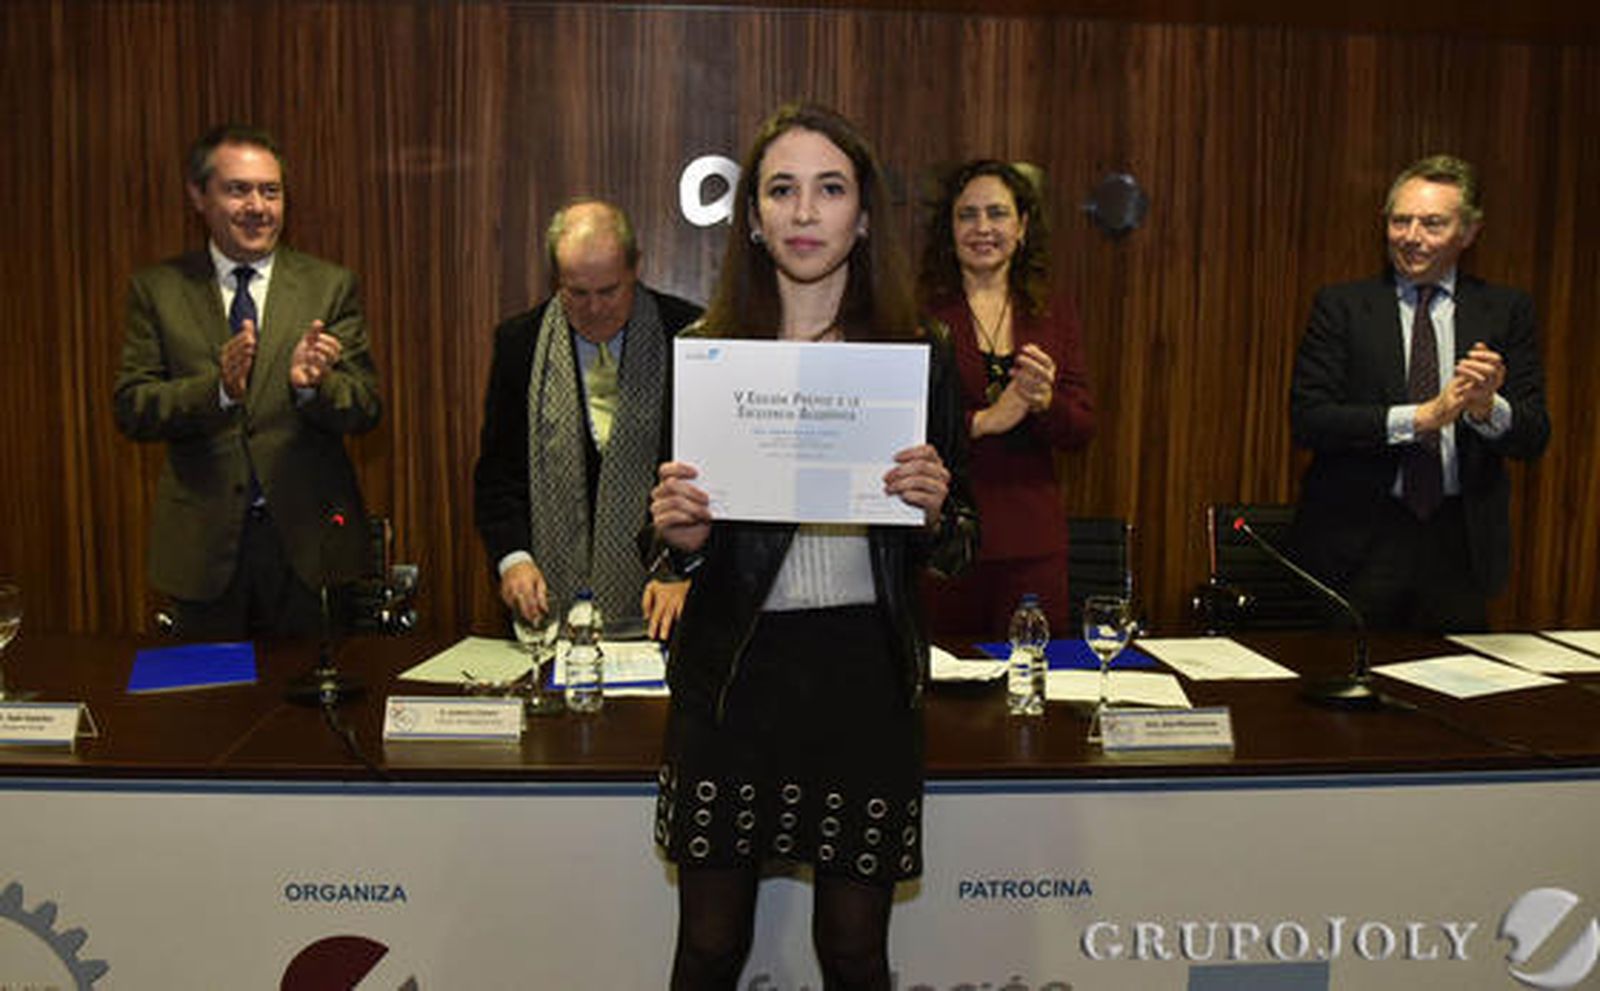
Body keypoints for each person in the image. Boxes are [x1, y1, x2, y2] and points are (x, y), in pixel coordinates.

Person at [648, 104, 977, 990]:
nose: (804, 212)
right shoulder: (706, 355)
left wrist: (937, 512)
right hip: (731, 676)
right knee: (711, 946)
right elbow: (670, 542)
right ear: (751, 217)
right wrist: (678, 542)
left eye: (829, 189)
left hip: (863, 678)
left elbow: (957, 546)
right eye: (781, 190)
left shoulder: (921, 353)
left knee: (855, 949)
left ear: (862, 214)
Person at [114, 124, 381, 639]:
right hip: (203, 557)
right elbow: (132, 406)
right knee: (209, 715)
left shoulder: (329, 285)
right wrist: (217, 390)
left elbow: (367, 406)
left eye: (271, 191)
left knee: (313, 713)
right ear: (199, 196)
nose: (257, 206)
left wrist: (312, 387)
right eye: (238, 190)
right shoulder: (158, 290)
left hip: (311, 552)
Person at [1290, 154, 1550, 632]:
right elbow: (1310, 420)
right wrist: (1421, 418)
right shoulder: (1343, 307)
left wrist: (1488, 407)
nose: (1411, 236)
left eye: (1432, 224)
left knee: (1456, 695)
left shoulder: (1505, 311)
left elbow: (1534, 436)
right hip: (1360, 541)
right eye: (1400, 220)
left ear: (1468, 233)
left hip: (1459, 544)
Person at [474, 200, 701, 639]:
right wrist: (513, 559)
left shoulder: (691, 335)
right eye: (577, 293)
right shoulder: (520, 344)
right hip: (552, 618)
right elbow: (498, 476)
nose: (595, 308)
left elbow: (716, 478)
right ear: (556, 280)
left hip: (668, 613)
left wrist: (687, 571)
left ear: (635, 267)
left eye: (610, 290)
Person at [916, 159, 1095, 636]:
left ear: (1022, 226)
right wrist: (983, 421)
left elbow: (1081, 427)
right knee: (945, 696)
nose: (982, 228)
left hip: (1032, 541)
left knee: (1031, 692)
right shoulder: (916, 311)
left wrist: (1044, 403)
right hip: (944, 540)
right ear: (949, 229)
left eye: (997, 213)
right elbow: (893, 424)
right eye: (967, 215)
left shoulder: (1052, 310)